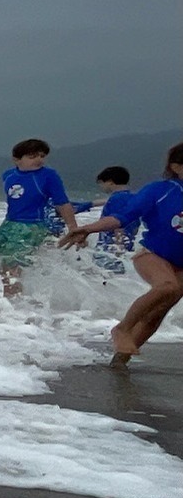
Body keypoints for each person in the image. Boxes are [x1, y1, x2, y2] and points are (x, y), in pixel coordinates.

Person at [60, 141, 183, 362]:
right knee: (167, 286)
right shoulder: (160, 190)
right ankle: (122, 329)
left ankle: (120, 362)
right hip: (153, 255)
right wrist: (87, 228)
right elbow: (122, 217)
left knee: (156, 315)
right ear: (176, 167)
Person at [0, 138, 78, 297]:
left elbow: (62, 203)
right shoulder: (8, 175)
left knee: (9, 272)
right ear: (16, 159)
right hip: (8, 225)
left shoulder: (48, 176)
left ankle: (15, 308)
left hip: (31, 228)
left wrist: (73, 228)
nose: (38, 160)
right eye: (32, 156)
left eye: (42, 156)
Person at [87, 167, 134, 274]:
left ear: (110, 182)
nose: (102, 187)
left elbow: (118, 226)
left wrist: (118, 250)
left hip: (109, 251)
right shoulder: (132, 198)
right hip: (127, 249)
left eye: (102, 183)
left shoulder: (116, 199)